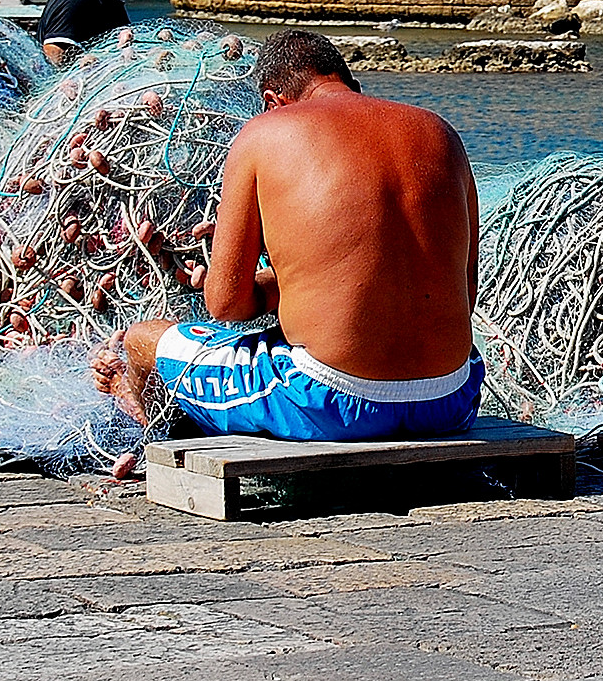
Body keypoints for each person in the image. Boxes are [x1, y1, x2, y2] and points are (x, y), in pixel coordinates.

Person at [92, 30, 485, 440]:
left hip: (328, 401)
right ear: (351, 84)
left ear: (271, 101)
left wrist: (273, 280)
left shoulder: (265, 132)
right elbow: (465, 293)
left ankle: (141, 434)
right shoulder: (441, 133)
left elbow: (225, 304)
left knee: (143, 341)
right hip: (449, 398)